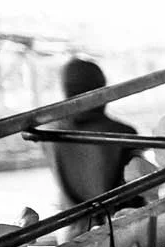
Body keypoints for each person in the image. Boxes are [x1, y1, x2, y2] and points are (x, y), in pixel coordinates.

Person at [41, 58, 140, 211]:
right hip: (117, 220)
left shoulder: (47, 133)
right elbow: (137, 192)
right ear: (101, 90)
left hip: (70, 220)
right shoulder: (122, 133)